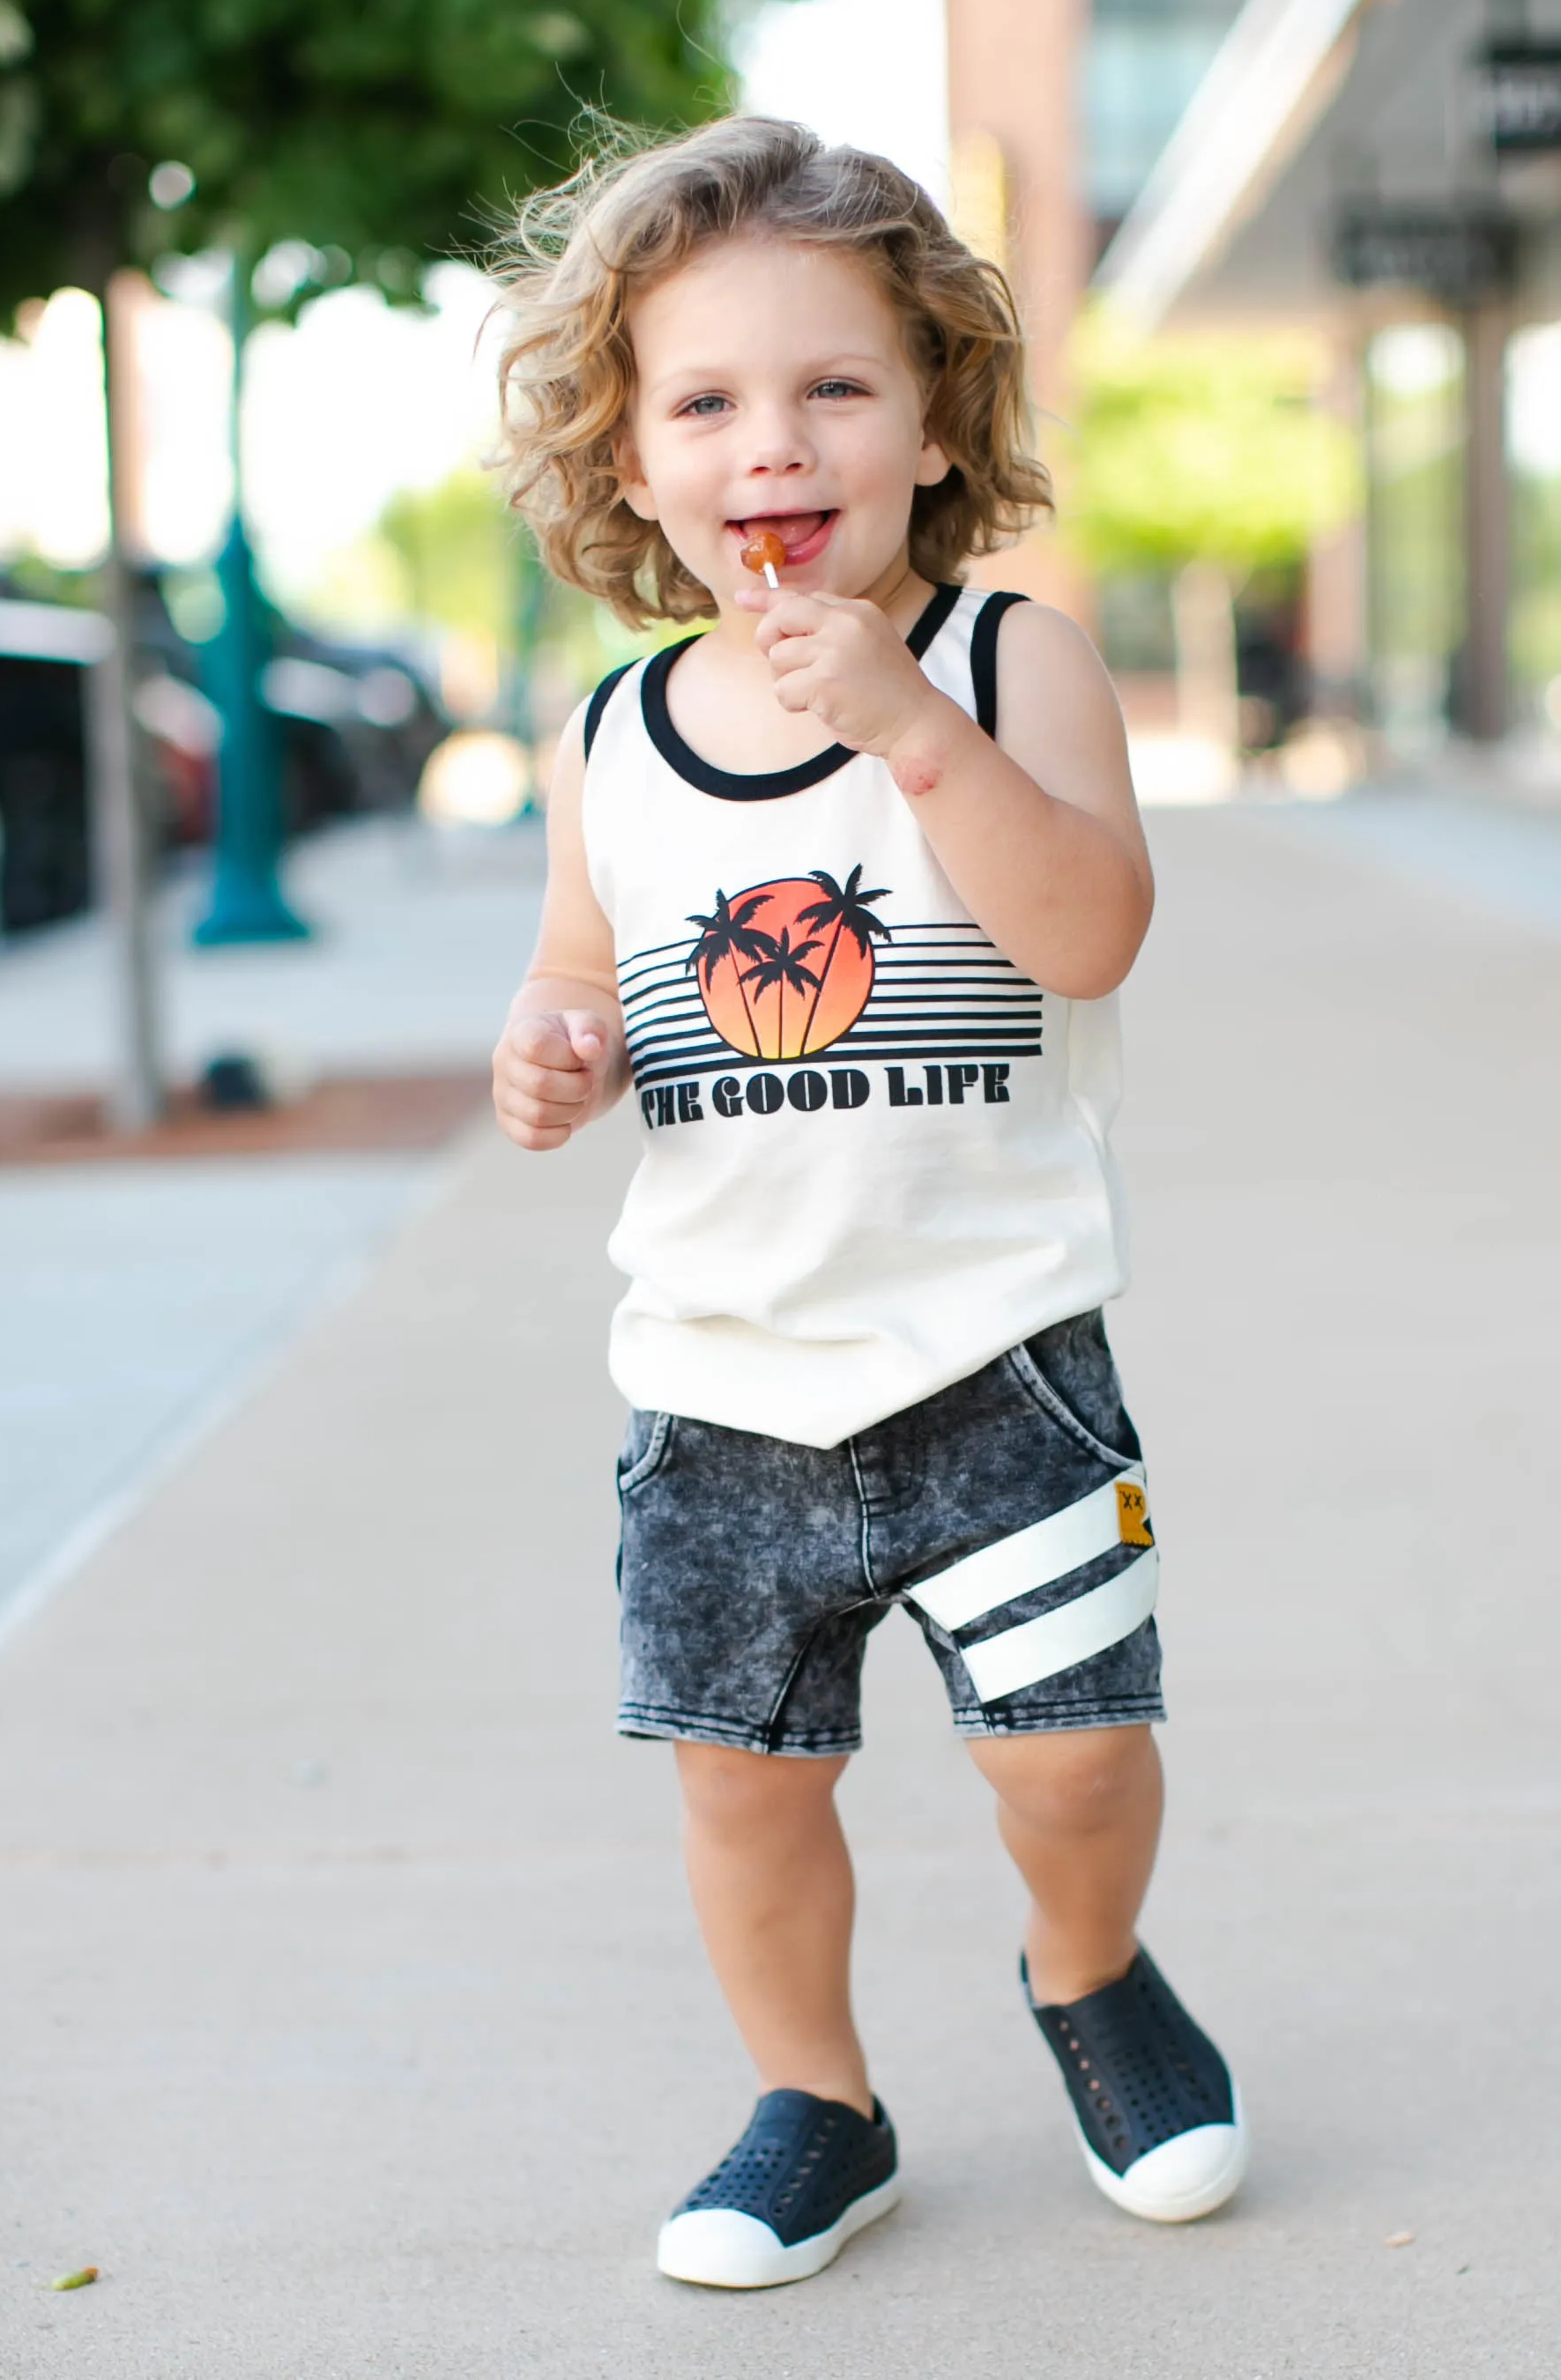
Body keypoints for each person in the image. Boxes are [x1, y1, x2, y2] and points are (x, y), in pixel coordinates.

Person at [489, 116, 1245, 2289]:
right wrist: (557, 1046)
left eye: (833, 386)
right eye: (704, 401)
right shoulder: (617, 732)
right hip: (720, 1378)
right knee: (742, 1784)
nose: (771, 442)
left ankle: (1090, 1975)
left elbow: (1089, 927)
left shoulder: (1012, 665)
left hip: (994, 1347)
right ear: (630, 463)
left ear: (931, 420)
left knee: (1079, 1758)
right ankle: (814, 2099)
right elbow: (583, 965)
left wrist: (911, 726)